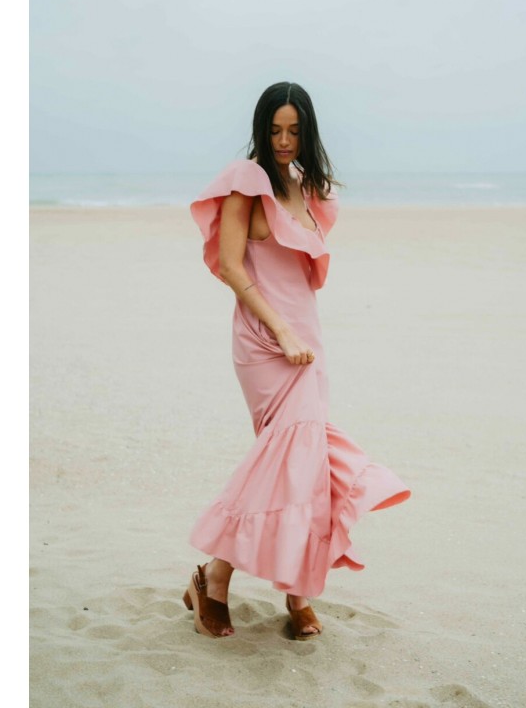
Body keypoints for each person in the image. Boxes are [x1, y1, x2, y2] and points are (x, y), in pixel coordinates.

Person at [184, 82, 410, 640]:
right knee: (287, 456)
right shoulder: (246, 181)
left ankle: (286, 590)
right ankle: (222, 578)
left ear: (307, 132)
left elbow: (302, 276)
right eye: (275, 130)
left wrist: (297, 331)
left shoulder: (306, 189)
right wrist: (281, 331)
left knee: (302, 465)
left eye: (294, 131)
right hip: (265, 341)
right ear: (261, 130)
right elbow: (231, 267)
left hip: (307, 339)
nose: (284, 141)